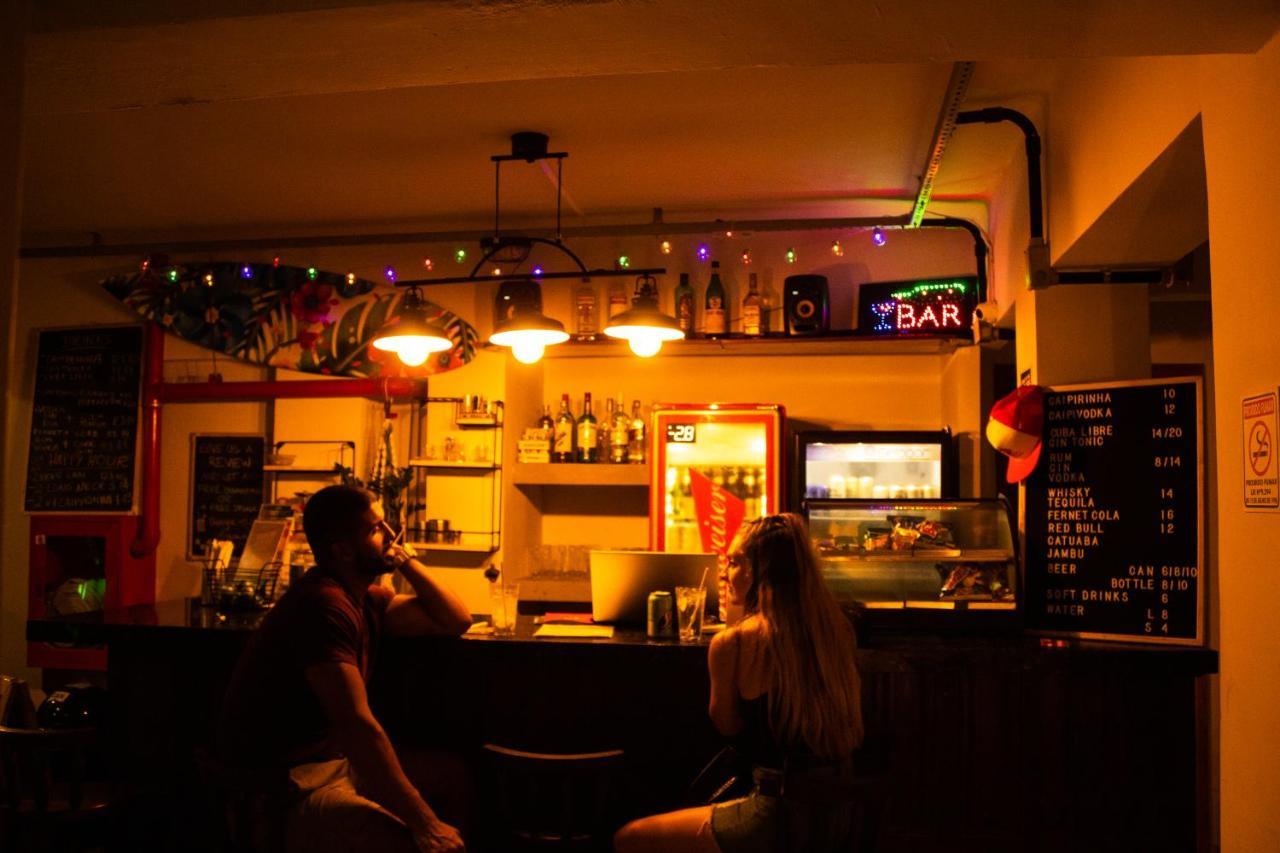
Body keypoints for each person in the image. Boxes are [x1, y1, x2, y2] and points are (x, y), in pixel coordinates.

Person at [218, 484, 473, 853]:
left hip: (331, 765)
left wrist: (405, 559)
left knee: (451, 776)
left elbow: (455, 619)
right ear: (341, 550)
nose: (390, 535)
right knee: (407, 842)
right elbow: (356, 724)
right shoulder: (323, 606)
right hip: (285, 785)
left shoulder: (363, 599)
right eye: (375, 530)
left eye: (386, 525)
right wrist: (425, 823)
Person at [614, 513, 864, 853]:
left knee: (630, 838)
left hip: (775, 816)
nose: (725, 572)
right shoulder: (834, 631)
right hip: (837, 816)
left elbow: (727, 726)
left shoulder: (734, 644)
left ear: (761, 570)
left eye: (734, 562)